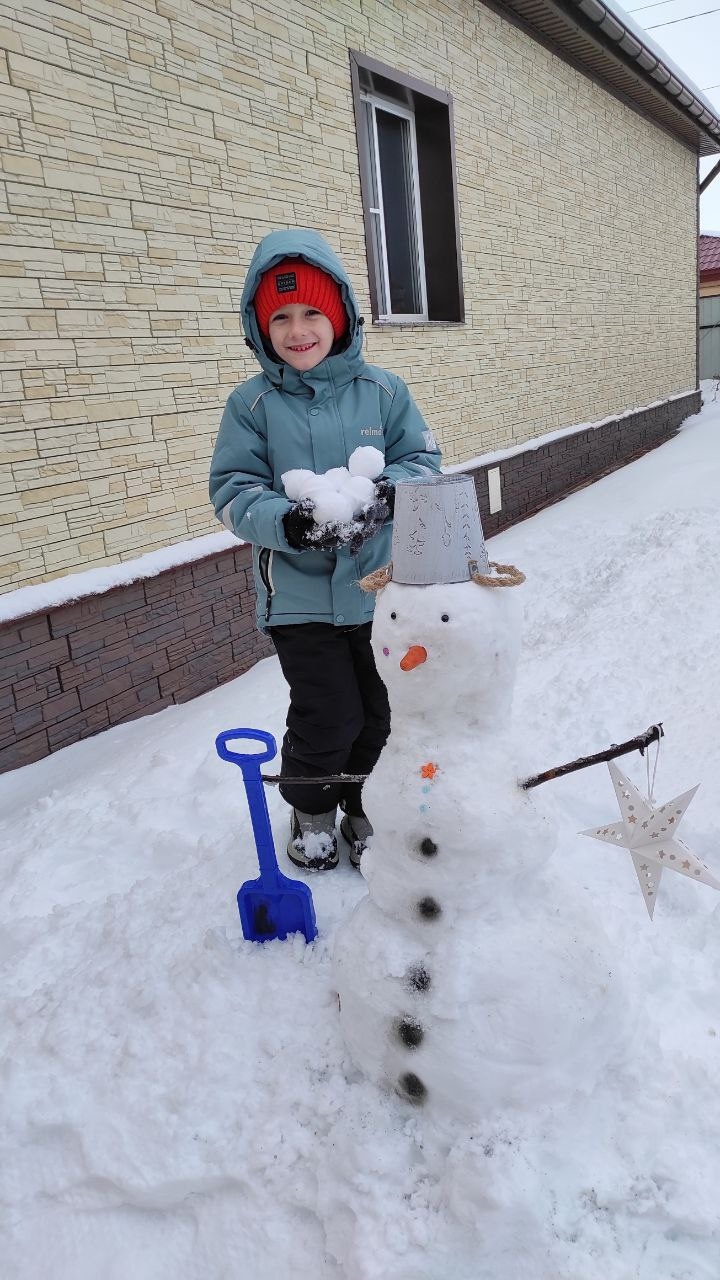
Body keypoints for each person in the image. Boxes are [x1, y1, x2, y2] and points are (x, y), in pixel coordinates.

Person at [210, 229, 441, 870]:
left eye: (312, 311)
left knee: (379, 712)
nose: (298, 328)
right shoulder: (252, 405)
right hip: (301, 603)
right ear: (260, 329)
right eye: (279, 316)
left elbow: (423, 459)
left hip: (379, 594)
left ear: (340, 316)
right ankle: (312, 812)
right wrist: (289, 523)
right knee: (327, 714)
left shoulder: (385, 393)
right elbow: (232, 489)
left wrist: (390, 495)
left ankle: (364, 808)